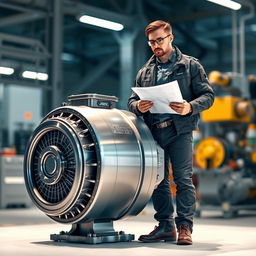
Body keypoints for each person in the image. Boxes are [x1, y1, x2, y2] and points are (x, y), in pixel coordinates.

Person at [128, 20, 214, 245]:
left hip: (180, 131)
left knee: (183, 179)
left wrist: (190, 107)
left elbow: (208, 96)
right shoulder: (144, 72)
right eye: (151, 42)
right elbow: (132, 100)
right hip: (154, 132)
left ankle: (184, 226)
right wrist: (137, 106)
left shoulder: (191, 66)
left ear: (171, 38)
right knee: (158, 181)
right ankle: (166, 226)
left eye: (159, 40)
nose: (156, 45)